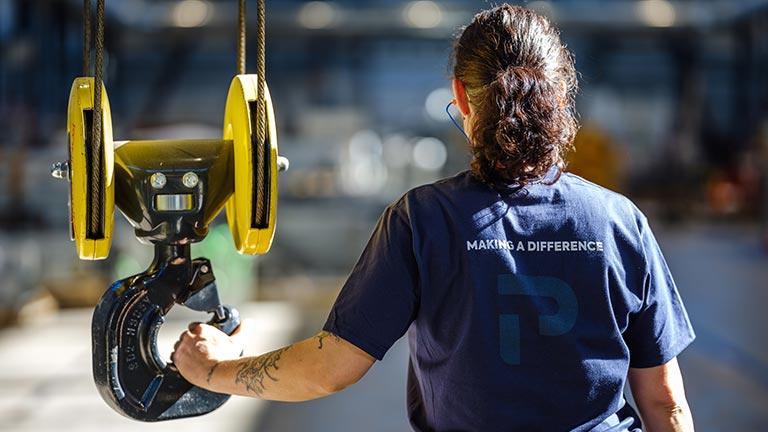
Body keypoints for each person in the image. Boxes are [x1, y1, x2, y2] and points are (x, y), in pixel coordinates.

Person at [172, 4, 696, 431]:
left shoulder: (422, 220)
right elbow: (665, 404)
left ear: (462, 98)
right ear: (562, 97)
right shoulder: (619, 221)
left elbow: (329, 370)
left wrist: (215, 369)